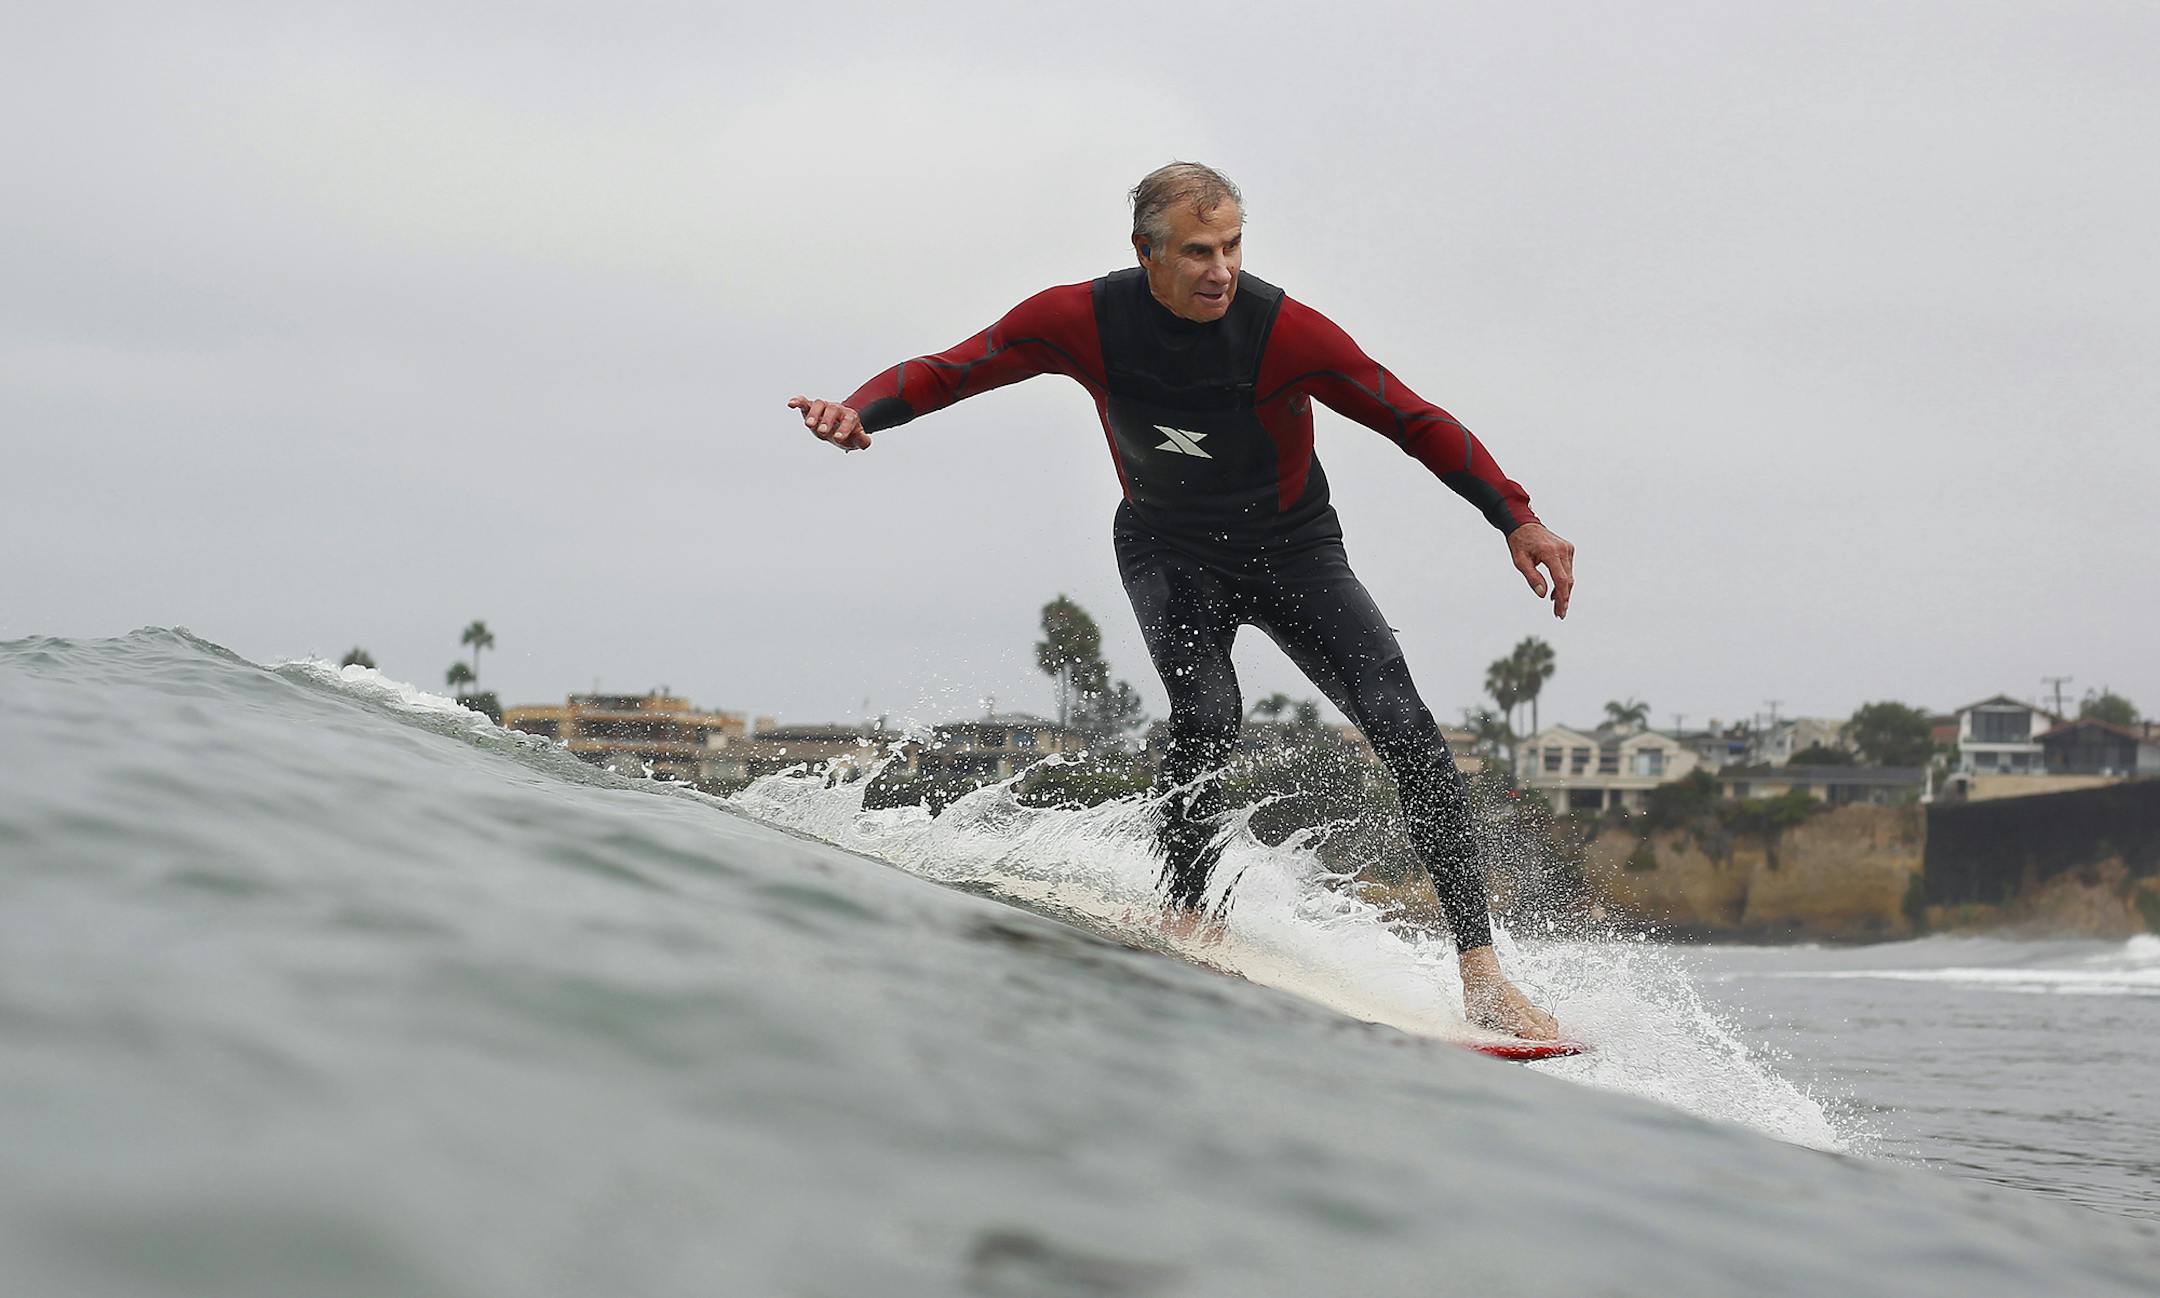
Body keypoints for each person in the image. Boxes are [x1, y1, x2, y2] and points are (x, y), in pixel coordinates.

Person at [787, 163, 1573, 1039]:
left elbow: (1411, 417)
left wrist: (1518, 516)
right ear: (1146, 253)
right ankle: (1190, 923)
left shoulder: (1285, 333)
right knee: (1206, 710)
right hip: (1169, 547)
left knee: (1407, 728)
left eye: (1233, 246)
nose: (1221, 269)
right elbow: (956, 367)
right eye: (1199, 251)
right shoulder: (1081, 321)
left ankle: (1484, 976)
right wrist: (861, 412)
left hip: (1295, 550)